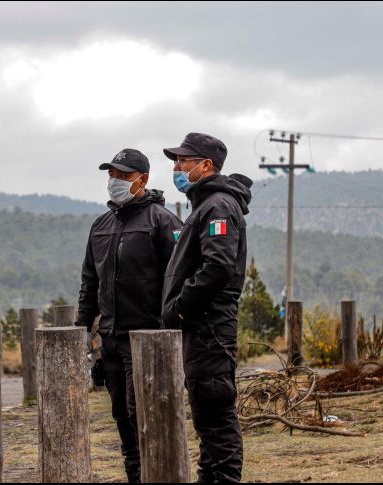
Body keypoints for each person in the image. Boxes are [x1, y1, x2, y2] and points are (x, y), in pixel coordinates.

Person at [77, 148, 182, 483]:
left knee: (145, 413)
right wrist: (83, 328)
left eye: (122, 176)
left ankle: (157, 473)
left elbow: (177, 279)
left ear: (143, 179)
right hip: (110, 340)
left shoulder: (162, 222)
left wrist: (171, 327)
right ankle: (134, 474)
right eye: (111, 175)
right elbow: (90, 280)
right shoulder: (100, 225)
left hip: (148, 339)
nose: (114, 182)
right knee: (121, 414)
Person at [162, 132, 253, 483]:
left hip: (209, 327)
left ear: (206, 165)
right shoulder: (204, 204)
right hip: (200, 328)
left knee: (215, 412)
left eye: (183, 161)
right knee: (205, 415)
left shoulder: (218, 206)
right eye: (176, 161)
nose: (176, 167)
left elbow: (218, 266)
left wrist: (183, 305)